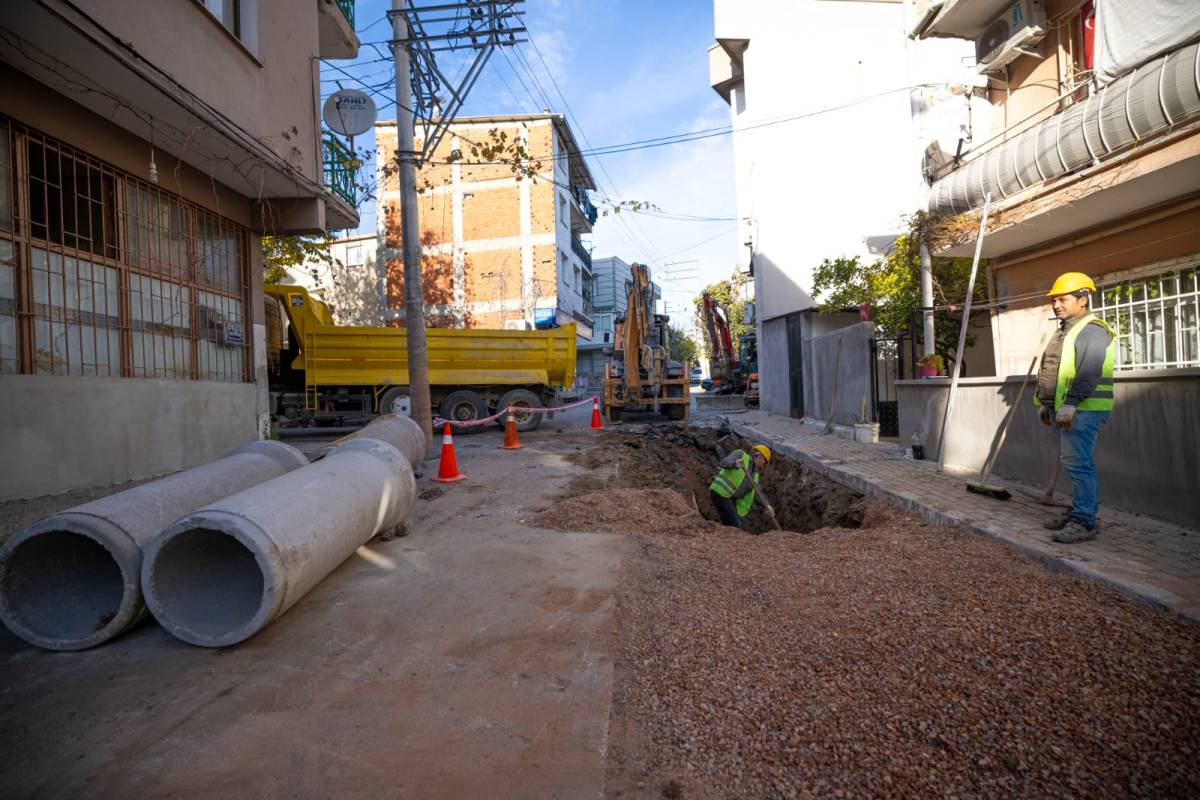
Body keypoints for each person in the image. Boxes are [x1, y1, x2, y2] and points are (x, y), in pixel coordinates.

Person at [1034, 272, 1115, 543]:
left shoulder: (1092, 329)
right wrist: (1047, 405)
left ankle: (1084, 522)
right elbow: (1055, 371)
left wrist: (1070, 405)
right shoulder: (1065, 330)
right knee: (1072, 463)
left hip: (1085, 409)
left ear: (1083, 300)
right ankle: (1079, 512)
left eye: (1063, 299)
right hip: (1067, 409)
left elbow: (1089, 371)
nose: (1056, 304)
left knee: (1079, 464)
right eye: (1054, 300)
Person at [709, 444, 771, 530]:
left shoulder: (755, 475)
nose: (763, 466)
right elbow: (723, 463)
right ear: (760, 456)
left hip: (731, 499)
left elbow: (758, 492)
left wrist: (767, 505)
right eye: (765, 462)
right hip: (721, 493)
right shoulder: (740, 455)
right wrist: (734, 464)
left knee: (740, 524)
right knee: (734, 523)